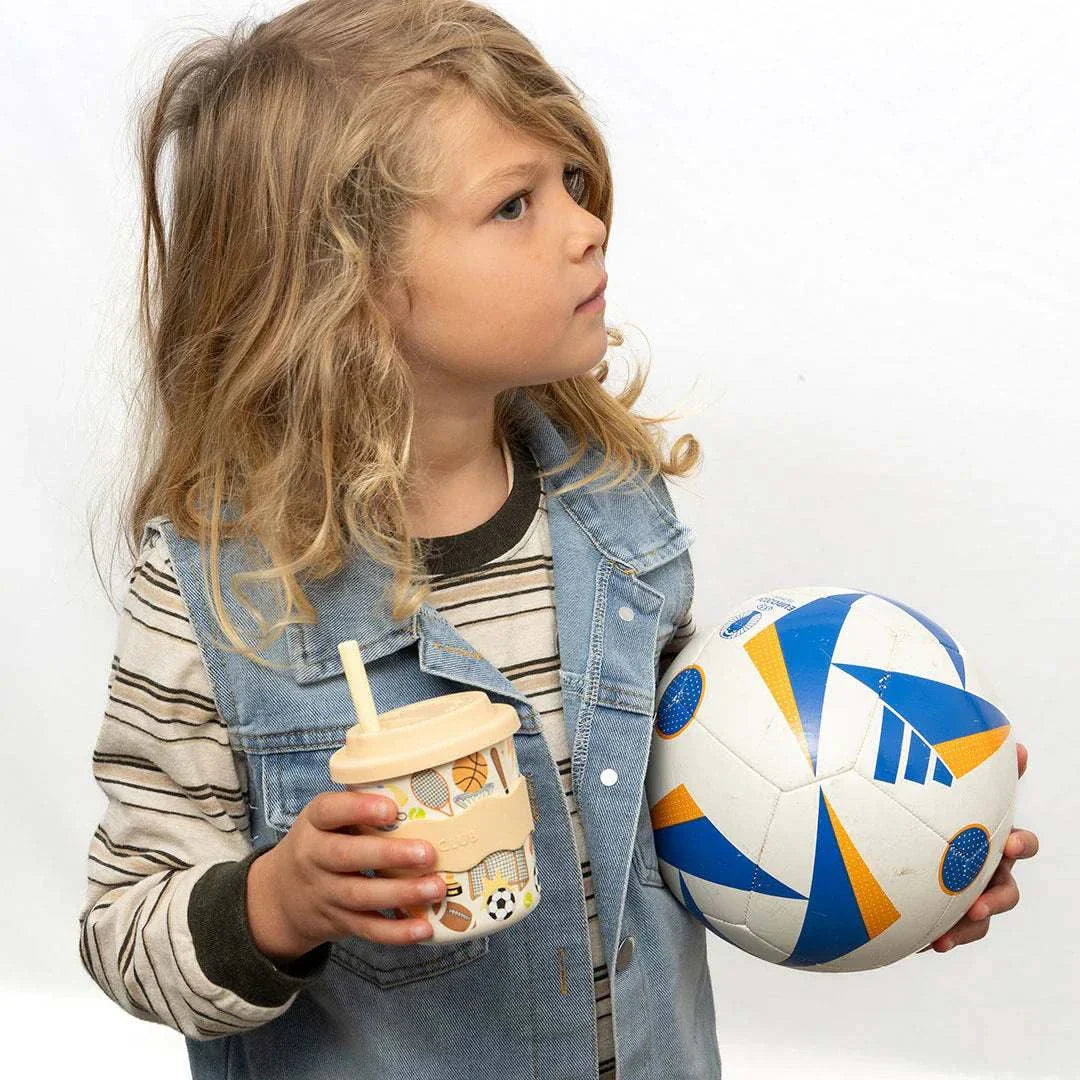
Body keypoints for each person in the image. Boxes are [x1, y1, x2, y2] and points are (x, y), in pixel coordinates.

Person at [78, 2, 1039, 1078]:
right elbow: (123, 929)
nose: (586, 228)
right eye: (514, 205)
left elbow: (683, 815)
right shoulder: (216, 595)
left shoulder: (613, 507)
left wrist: (895, 847)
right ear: (341, 284)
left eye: (573, 182)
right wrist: (278, 905)